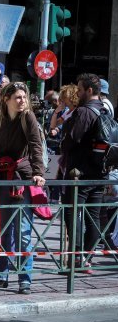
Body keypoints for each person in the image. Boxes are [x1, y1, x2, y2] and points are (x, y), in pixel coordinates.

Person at [0, 82, 45, 294]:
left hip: (23, 179)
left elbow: (36, 146)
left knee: (23, 232)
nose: (22, 101)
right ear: (6, 99)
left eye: (24, 97)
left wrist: (38, 172)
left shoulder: (28, 117)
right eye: (18, 97)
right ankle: (1, 276)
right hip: (4, 177)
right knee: (5, 230)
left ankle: (25, 279)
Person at [61, 73, 107, 273]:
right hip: (100, 172)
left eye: (79, 90)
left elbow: (72, 140)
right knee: (93, 216)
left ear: (89, 91)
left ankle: (77, 258)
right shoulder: (105, 110)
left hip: (79, 173)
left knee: (73, 214)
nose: (77, 93)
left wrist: (64, 141)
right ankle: (87, 258)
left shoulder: (83, 112)